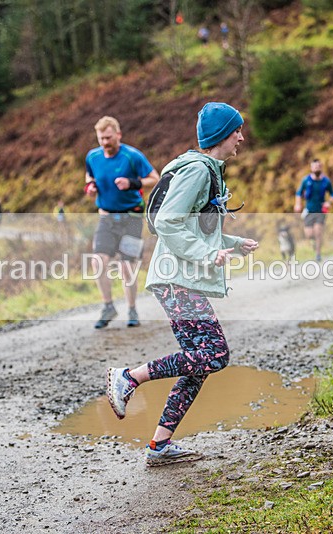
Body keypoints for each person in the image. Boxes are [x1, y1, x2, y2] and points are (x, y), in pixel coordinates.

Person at [106, 102, 259, 466]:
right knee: (215, 354)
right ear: (222, 134)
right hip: (177, 279)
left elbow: (195, 226)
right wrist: (208, 256)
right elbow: (170, 223)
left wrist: (233, 244)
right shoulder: (198, 171)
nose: (241, 136)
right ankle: (129, 377)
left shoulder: (206, 169)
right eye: (236, 130)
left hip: (177, 277)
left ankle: (160, 445)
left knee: (200, 362)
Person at [84, 116, 159, 329]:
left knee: (127, 267)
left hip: (131, 218)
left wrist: (132, 183)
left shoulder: (132, 156)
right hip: (106, 217)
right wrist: (90, 188)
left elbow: (155, 177)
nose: (105, 143)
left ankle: (132, 308)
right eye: (101, 139)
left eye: (109, 138)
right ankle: (108, 306)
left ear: (118, 135)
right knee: (98, 262)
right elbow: (89, 177)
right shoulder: (93, 156)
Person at [294, 158, 333, 262]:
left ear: (321, 167)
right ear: (311, 168)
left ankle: (318, 254)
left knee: (318, 232)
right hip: (308, 211)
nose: (316, 168)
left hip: (320, 211)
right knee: (309, 234)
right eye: (314, 166)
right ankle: (313, 243)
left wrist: (329, 202)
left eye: (318, 166)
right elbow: (299, 193)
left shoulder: (326, 181)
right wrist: (298, 204)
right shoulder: (306, 180)